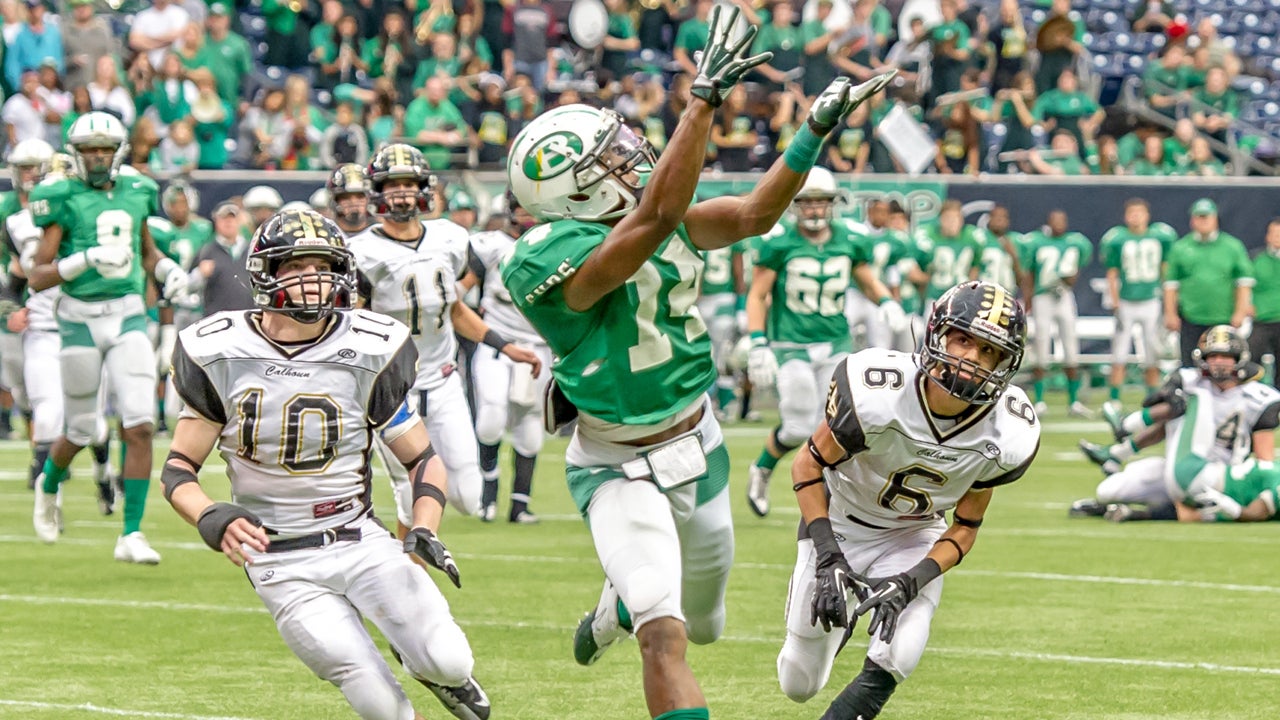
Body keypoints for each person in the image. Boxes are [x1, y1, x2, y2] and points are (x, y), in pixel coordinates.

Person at [500, 6, 892, 717]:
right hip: (617, 463)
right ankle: (634, 608)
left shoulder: (657, 209)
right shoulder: (540, 258)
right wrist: (703, 98)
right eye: (606, 161)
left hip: (699, 441)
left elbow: (750, 217)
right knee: (667, 632)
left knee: (706, 624)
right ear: (572, 192)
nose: (628, 159)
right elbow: (650, 220)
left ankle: (616, 607)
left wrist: (813, 130)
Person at [163, 208, 489, 720]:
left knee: (451, 660)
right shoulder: (219, 349)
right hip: (278, 559)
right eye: (296, 267)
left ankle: (436, 673)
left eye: (323, 266)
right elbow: (179, 468)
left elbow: (423, 460)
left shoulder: (370, 346)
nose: (313, 281)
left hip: (359, 538)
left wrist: (424, 528)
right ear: (265, 274)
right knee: (381, 706)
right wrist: (211, 515)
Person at [777, 279, 1038, 719]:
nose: (973, 359)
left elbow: (965, 528)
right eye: (964, 340)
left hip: (913, 535)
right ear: (938, 333)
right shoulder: (877, 391)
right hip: (840, 523)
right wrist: (827, 557)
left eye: (990, 351)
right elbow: (806, 465)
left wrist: (911, 581)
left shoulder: (1008, 431)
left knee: (899, 652)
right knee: (798, 683)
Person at [27, 111, 190, 563]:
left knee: (139, 425)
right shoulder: (60, 196)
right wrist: (81, 261)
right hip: (78, 317)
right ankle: (50, 482)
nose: (97, 157)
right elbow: (35, 277)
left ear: (116, 152)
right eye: (88, 150)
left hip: (128, 314)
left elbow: (147, 250)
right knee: (81, 428)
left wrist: (166, 270)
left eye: (104, 149)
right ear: (75, 154)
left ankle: (131, 532)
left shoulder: (137, 189)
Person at [350, 143, 541, 527]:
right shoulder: (362, 252)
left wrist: (505, 347)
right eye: (392, 185)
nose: (401, 193)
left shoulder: (450, 238)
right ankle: (411, 570)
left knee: (468, 497)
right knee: (411, 495)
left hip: (442, 381)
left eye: (408, 184)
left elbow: (454, 309)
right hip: (393, 388)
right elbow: (354, 324)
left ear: (425, 188)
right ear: (377, 192)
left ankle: (410, 556)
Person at [743, 168, 902, 517]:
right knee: (798, 426)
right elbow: (757, 294)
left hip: (835, 342)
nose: (814, 210)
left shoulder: (850, 239)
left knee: (835, 426)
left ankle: (835, 499)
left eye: (821, 203)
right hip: (791, 345)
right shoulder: (779, 242)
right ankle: (763, 468)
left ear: (832, 205)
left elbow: (866, 280)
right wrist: (758, 341)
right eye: (807, 203)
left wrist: (887, 301)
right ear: (795, 205)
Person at [1073, 326, 1280, 523]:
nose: (1218, 362)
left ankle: (1125, 430)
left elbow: (1264, 458)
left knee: (1194, 397)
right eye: (1213, 356)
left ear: (1238, 359)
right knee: (1108, 491)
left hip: (1222, 474)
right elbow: (1166, 422)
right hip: (1178, 464)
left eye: (1225, 356)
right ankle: (1120, 450)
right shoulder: (1189, 380)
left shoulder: (1258, 397)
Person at [459, 190, 550, 523]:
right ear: (510, 210)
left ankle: (519, 505)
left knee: (529, 425)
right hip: (497, 344)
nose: (528, 215)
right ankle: (488, 495)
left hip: (537, 348)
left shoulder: (554, 245)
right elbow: (459, 290)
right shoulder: (493, 245)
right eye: (522, 207)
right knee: (491, 418)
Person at [1100, 199, 1178, 402]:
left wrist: (1167, 295)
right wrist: (1114, 299)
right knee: (1119, 353)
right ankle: (1114, 400)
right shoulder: (1118, 238)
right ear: (1126, 216)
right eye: (1132, 212)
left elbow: (1165, 269)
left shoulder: (1159, 236)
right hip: (1126, 300)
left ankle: (1153, 397)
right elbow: (1112, 271)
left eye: (1139, 212)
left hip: (1151, 299)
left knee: (1152, 351)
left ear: (1147, 215)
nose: (1136, 216)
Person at [1019, 209, 1092, 417]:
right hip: (1043, 296)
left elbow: (1076, 268)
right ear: (1048, 222)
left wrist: (1071, 278)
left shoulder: (1075, 242)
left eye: (1062, 220)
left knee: (1071, 346)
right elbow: (1029, 271)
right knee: (1041, 345)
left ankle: (1074, 401)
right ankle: (1040, 401)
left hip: (1064, 296)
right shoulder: (1036, 241)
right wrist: (1029, 298)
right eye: (1055, 220)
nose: (1059, 223)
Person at [1164, 198, 1253, 368]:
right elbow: (1171, 285)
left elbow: (1243, 282)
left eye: (1206, 217)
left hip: (1223, 317)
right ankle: (1192, 395)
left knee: (1224, 364)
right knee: (1190, 364)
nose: (1203, 221)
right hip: (1191, 316)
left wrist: (1240, 311)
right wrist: (1170, 313)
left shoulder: (1232, 246)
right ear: (1192, 220)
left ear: (1215, 218)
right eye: (1199, 217)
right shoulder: (1181, 247)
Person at [1248, 219, 1280, 388]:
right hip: (1261, 320)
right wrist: (1247, 304)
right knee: (1250, 362)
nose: (1277, 238)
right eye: (1274, 234)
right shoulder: (1255, 258)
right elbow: (1243, 284)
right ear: (1267, 236)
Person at [327, 162, 373, 235]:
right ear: (335, 201)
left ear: (369, 199)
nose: (353, 202)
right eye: (345, 197)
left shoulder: (383, 232)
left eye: (360, 196)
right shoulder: (326, 234)